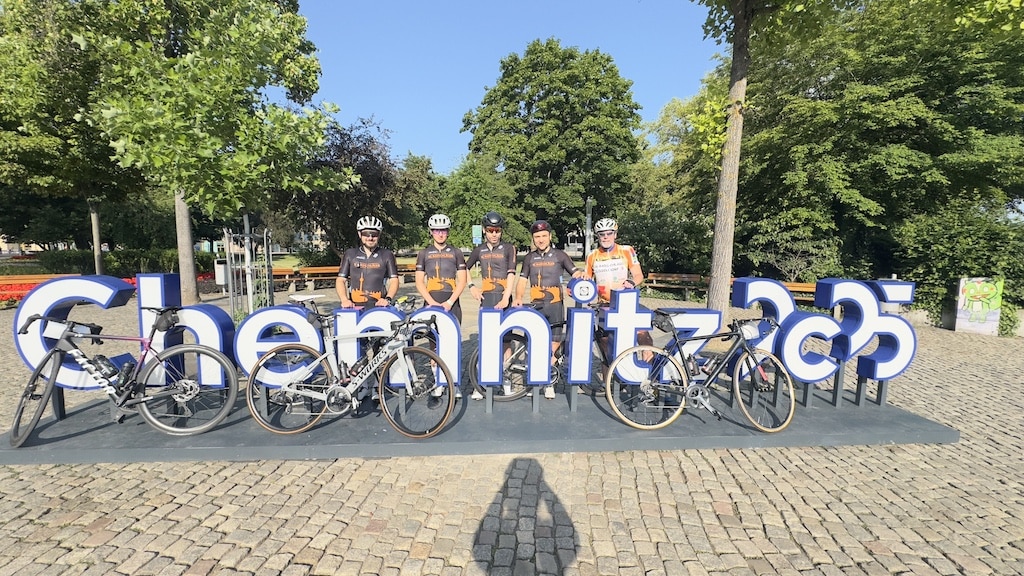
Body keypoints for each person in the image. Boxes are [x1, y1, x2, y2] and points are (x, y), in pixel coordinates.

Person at [512, 219, 582, 399]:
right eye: (537, 237)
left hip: (555, 305)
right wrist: (519, 297)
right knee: (533, 344)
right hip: (536, 307)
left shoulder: (560, 255)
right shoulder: (529, 258)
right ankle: (534, 380)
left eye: (544, 236)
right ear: (533, 239)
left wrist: (579, 277)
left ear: (550, 236)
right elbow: (522, 281)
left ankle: (549, 380)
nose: (541, 239)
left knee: (554, 345)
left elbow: (575, 272)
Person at [584, 217, 653, 376]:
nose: (606, 237)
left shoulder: (627, 250)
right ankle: (608, 385)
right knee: (605, 346)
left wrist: (630, 282)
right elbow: (587, 281)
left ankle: (648, 379)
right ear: (598, 236)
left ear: (615, 234)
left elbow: (638, 275)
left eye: (609, 233)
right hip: (604, 306)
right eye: (602, 234)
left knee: (644, 339)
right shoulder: (592, 255)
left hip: (626, 305)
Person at [465, 211, 517, 400]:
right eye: (490, 230)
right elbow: (463, 268)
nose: (494, 234)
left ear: (501, 231)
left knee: (505, 342)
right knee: (486, 342)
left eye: (497, 230)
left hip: (504, 300)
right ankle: (482, 383)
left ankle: (506, 380)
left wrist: (506, 296)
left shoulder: (509, 248)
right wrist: (471, 287)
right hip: (486, 300)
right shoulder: (479, 250)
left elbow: (511, 273)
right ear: (484, 231)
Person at [336, 216, 399, 309]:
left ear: (379, 235)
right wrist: (344, 300)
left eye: (374, 234)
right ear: (359, 234)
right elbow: (341, 280)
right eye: (366, 234)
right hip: (355, 306)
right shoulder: (350, 254)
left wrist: (388, 299)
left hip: (379, 305)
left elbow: (394, 280)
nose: (370, 238)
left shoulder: (387, 254)